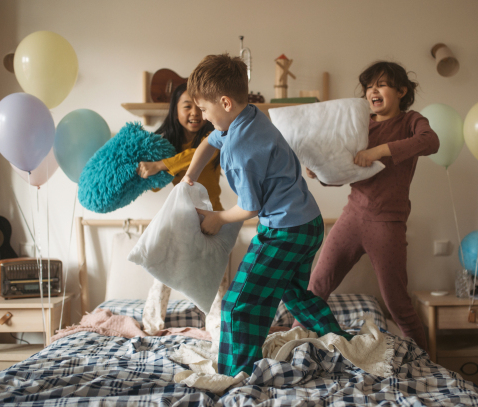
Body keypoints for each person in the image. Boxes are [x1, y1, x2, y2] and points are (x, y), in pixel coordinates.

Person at [183, 54, 353, 377]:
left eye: (204, 109)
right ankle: (342, 342)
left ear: (225, 102)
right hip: (309, 225)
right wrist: (189, 175)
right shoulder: (248, 117)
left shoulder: (240, 147)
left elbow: (249, 207)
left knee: (237, 305)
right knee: (295, 294)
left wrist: (217, 218)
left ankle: (236, 375)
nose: (203, 116)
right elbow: (209, 142)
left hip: (284, 230)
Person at [293, 61, 439, 352]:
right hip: (351, 217)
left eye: (381, 84)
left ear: (402, 91)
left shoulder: (411, 121)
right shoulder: (361, 126)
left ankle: (426, 363)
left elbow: (430, 141)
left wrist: (379, 151)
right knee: (315, 288)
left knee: (397, 303)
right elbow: (345, 171)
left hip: (388, 224)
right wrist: (320, 173)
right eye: (369, 86)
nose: (373, 90)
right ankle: (289, 345)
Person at [136, 82, 223, 211]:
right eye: (187, 106)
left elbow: (200, 154)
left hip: (214, 212)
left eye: (200, 107)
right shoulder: (167, 145)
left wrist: (159, 165)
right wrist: (144, 171)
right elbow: (156, 187)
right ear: (175, 112)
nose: (195, 112)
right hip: (185, 214)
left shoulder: (214, 136)